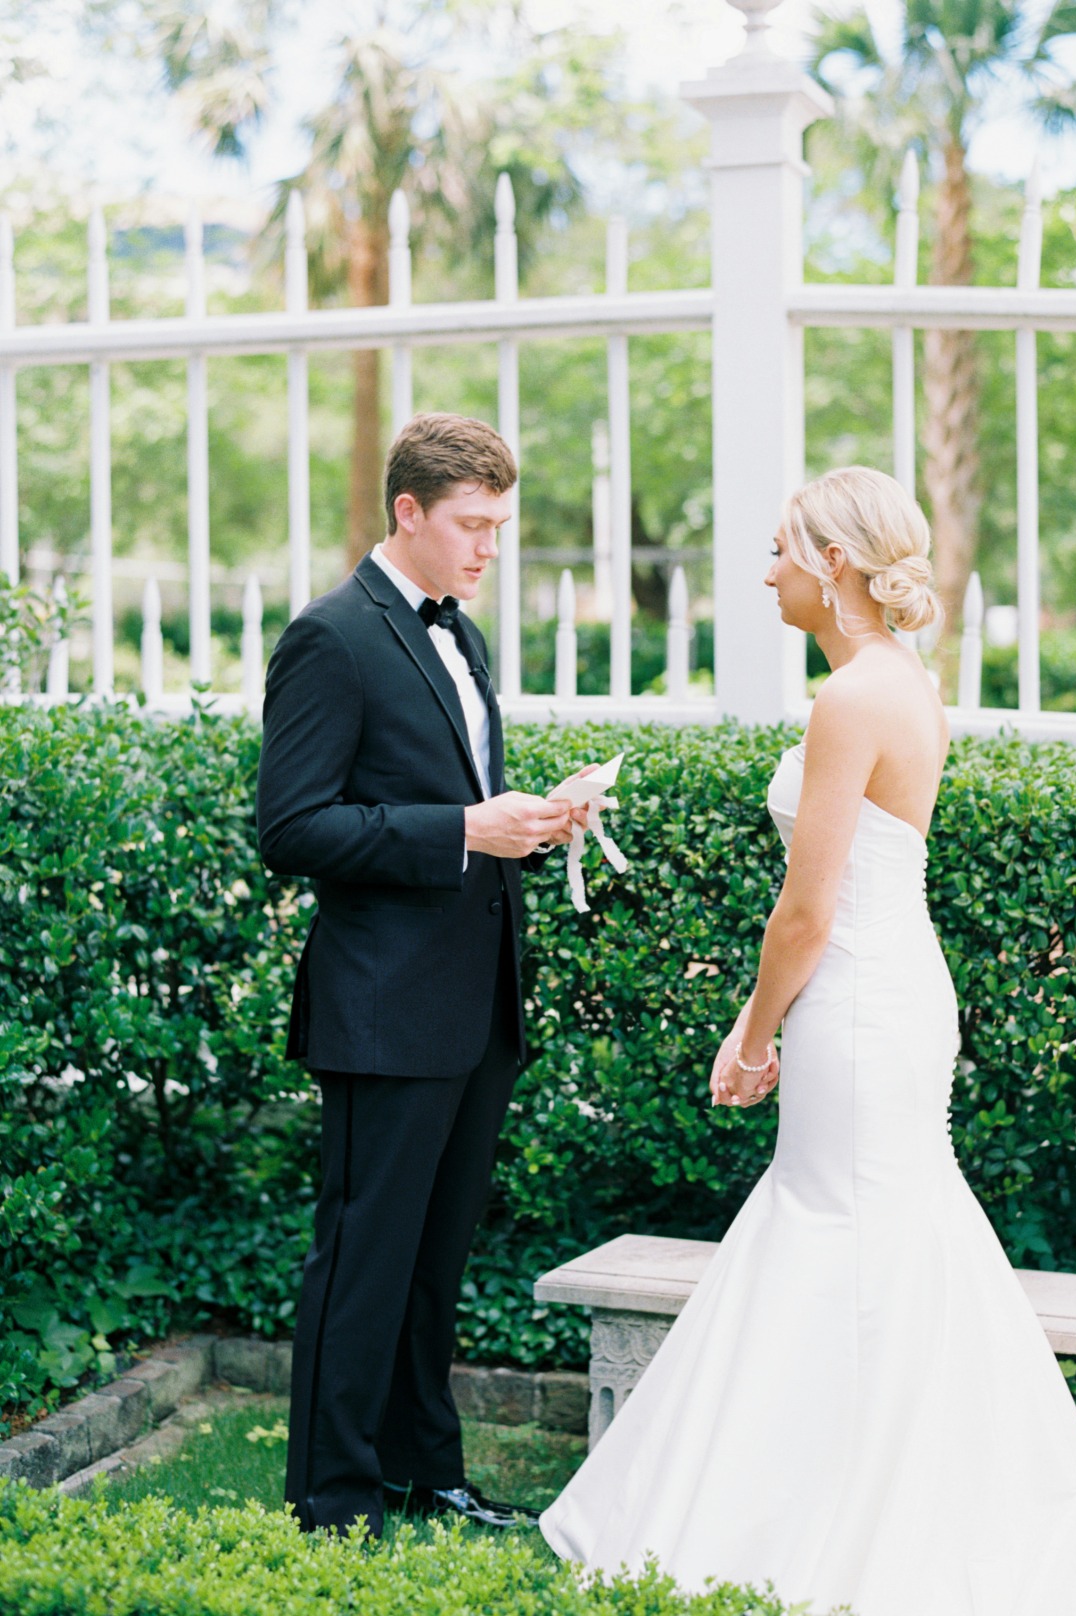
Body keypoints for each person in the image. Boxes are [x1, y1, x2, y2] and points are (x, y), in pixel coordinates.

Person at [539, 466, 1076, 1613]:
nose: (766, 570)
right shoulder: (897, 680)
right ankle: (847, 1491)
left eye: (782, 547)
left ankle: (845, 1514)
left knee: (848, 1227)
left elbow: (809, 906)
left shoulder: (851, 700)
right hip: (888, 990)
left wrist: (751, 1034)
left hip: (855, 999)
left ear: (835, 562)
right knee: (875, 1232)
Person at [258, 411, 586, 1539]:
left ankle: (424, 1469)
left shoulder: (464, 636)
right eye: (473, 525)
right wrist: (460, 828)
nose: (491, 547)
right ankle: (334, 1497)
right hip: (383, 1007)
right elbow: (293, 826)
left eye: (501, 524)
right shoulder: (330, 637)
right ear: (409, 511)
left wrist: (531, 824)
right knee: (363, 1259)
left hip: (475, 999)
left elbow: (455, 802)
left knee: (433, 1260)